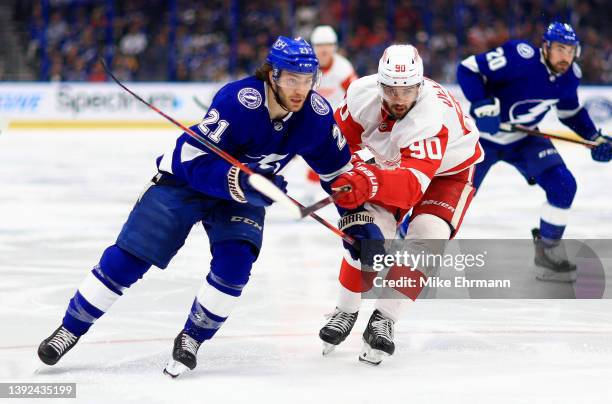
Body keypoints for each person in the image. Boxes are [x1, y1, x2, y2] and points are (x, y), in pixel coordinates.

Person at [37, 36, 359, 377]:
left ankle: (193, 337)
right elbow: (193, 158)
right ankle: (70, 328)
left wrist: (358, 222)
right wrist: (244, 180)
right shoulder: (239, 101)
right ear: (272, 76)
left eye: (308, 80)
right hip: (186, 183)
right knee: (131, 257)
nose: (300, 89)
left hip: (243, 194)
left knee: (235, 266)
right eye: (292, 79)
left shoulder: (316, 116)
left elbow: (339, 174)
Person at [319, 44, 483, 365]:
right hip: (394, 165)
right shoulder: (359, 95)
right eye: (391, 89)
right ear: (379, 84)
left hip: (449, 172)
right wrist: (351, 170)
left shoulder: (430, 114)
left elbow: (411, 188)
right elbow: (338, 145)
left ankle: (386, 317)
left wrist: (366, 178)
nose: (398, 98)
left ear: (419, 86)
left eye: (407, 90)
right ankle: (346, 309)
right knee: (365, 234)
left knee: (427, 237)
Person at [456, 21, 612, 282]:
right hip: (482, 139)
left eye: (571, 50)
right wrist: (482, 104)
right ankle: (407, 244)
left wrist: (593, 137)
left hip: (523, 139)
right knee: (454, 196)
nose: (566, 56)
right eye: (560, 49)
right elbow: (468, 70)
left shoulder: (571, 75)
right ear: (546, 47)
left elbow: (569, 112)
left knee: (563, 185)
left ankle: (547, 254)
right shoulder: (519, 56)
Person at [303, 26, 359, 193]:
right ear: (313, 47)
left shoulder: (343, 68)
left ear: (335, 46)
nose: (324, 49)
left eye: (328, 45)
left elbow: (355, 95)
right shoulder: (305, 67)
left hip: (336, 118)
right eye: (320, 45)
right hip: (308, 117)